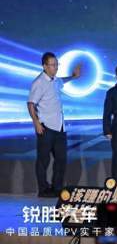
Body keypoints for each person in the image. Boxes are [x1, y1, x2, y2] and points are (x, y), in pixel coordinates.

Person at [27, 52, 80, 197]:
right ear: (44, 66)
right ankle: (43, 189)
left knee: (61, 159)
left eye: (57, 64)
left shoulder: (55, 80)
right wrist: (36, 123)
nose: (56, 67)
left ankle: (57, 187)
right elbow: (31, 104)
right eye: (52, 65)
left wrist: (73, 77)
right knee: (43, 161)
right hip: (46, 127)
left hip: (60, 126)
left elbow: (62, 81)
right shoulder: (39, 82)